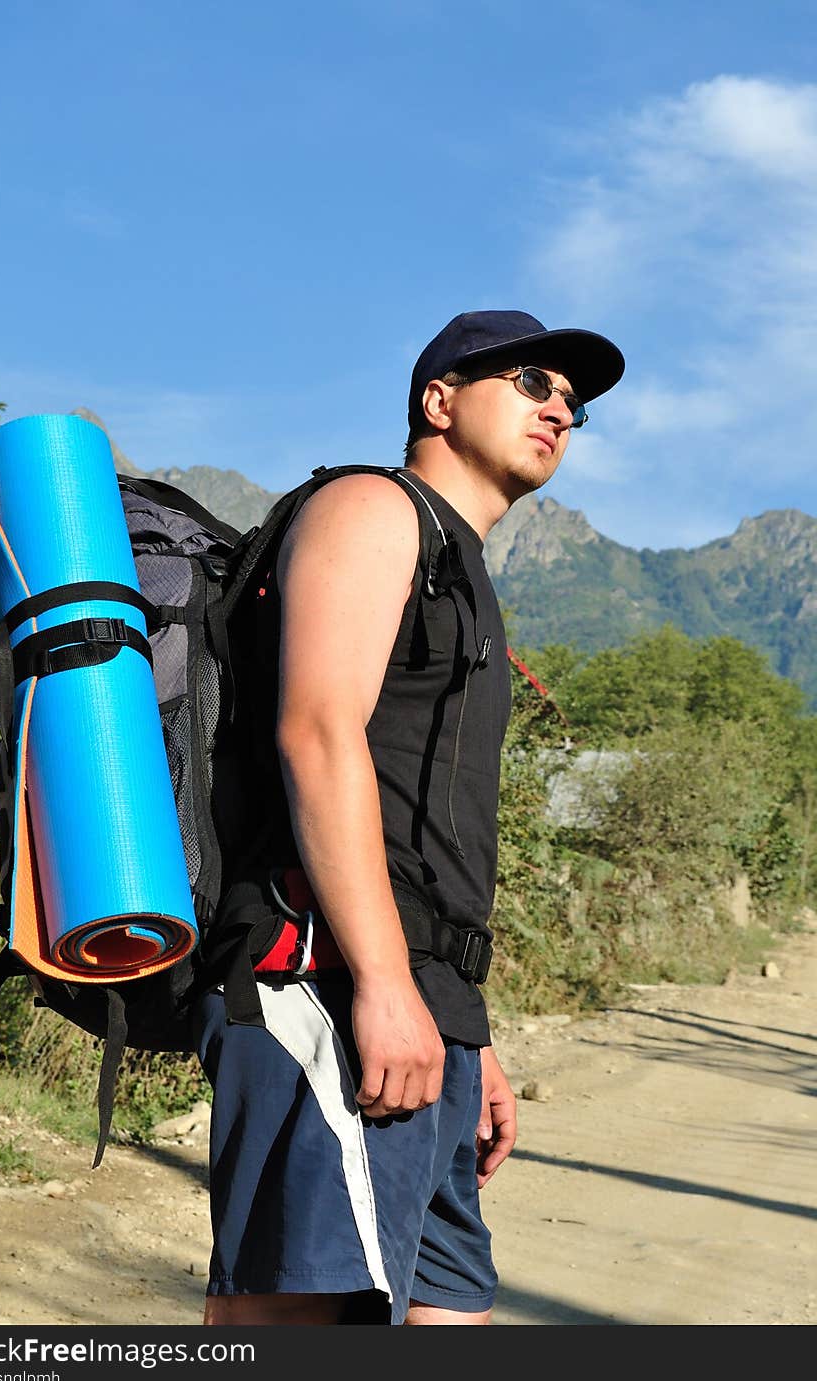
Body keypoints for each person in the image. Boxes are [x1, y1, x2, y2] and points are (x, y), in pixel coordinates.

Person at [193, 309, 625, 1325]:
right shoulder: (370, 509)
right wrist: (385, 983)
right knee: (303, 1328)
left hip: (421, 1006)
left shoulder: (459, 568)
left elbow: (425, 833)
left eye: (575, 402)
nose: (560, 408)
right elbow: (317, 735)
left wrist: (470, 1038)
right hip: (321, 983)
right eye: (531, 381)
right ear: (439, 400)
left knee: (445, 1316)